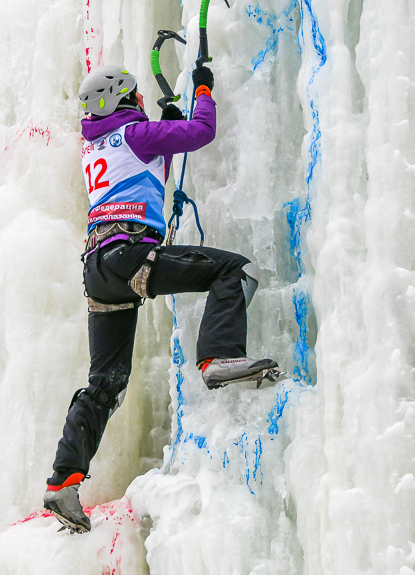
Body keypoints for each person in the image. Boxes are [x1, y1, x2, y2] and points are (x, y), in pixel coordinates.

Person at [42, 62, 281, 533]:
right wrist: (204, 90)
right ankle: (219, 357)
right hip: (132, 255)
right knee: (230, 269)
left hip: (98, 270)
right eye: (134, 99)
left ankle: (61, 483)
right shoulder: (138, 132)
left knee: (105, 381)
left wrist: (164, 126)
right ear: (125, 101)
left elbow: (151, 163)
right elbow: (201, 132)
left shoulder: (97, 145)